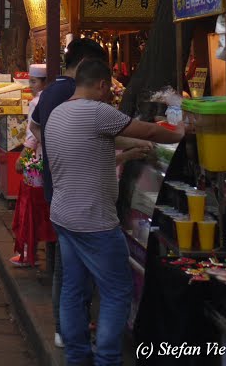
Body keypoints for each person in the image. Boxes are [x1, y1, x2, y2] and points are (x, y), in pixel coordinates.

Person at [45, 58, 184, 366]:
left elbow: (101, 142)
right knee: (117, 291)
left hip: (64, 215)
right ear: (103, 85)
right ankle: (107, 358)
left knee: (73, 289)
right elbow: (149, 130)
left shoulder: (58, 113)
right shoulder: (98, 111)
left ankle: (77, 356)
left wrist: (132, 148)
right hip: (93, 220)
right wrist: (180, 134)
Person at [30, 38, 109, 347]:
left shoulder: (50, 91)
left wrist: (54, 151)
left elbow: (36, 128)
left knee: (68, 264)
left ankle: (68, 325)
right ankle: (66, 327)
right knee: (71, 267)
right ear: (86, 62)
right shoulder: (72, 92)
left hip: (59, 185)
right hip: (75, 191)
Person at [10, 65, 53, 267]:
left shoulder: (37, 102)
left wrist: (22, 158)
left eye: (34, 82)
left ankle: (28, 253)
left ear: (44, 82)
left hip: (38, 161)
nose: (31, 86)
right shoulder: (55, 99)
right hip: (53, 161)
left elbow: (32, 136)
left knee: (30, 209)